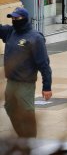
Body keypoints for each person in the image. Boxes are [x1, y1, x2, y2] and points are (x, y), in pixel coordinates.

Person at [0, 7, 52, 138]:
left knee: (27, 112)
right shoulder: (10, 32)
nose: (14, 20)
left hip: (25, 83)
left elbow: (44, 64)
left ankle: (31, 141)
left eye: (17, 18)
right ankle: (23, 137)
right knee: (10, 108)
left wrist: (47, 86)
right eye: (12, 18)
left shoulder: (35, 37)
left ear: (25, 19)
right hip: (11, 81)